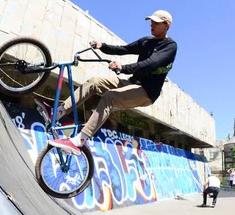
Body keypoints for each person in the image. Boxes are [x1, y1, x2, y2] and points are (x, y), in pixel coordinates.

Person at [46, 10, 178, 155]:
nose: (152, 25)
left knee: (110, 97)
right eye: (151, 21)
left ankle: (79, 141)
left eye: (156, 23)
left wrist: (123, 68)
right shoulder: (146, 41)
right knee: (94, 82)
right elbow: (123, 49)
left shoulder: (170, 46)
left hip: (146, 92)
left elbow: (150, 64)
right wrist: (102, 46)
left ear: (167, 26)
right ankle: (58, 113)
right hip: (131, 82)